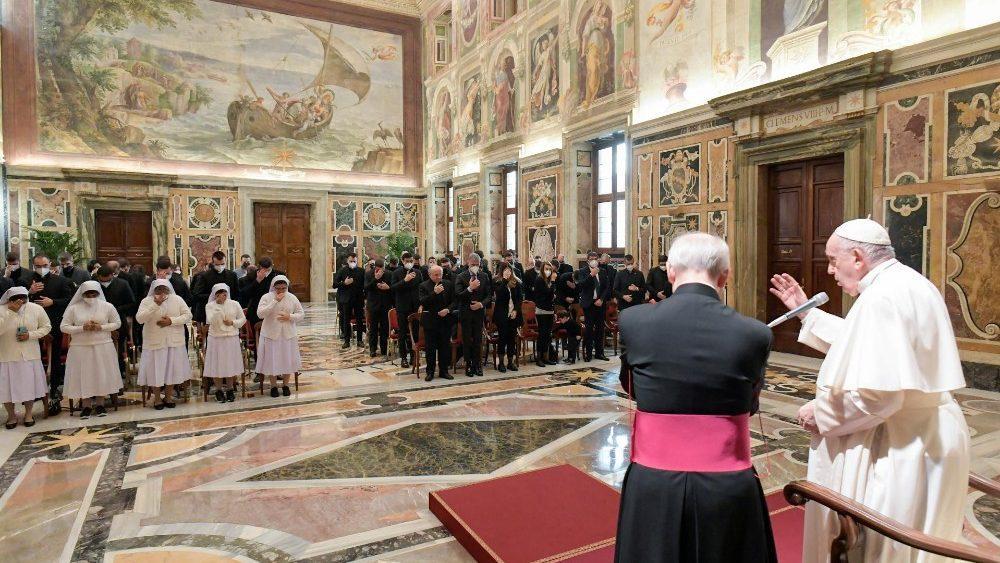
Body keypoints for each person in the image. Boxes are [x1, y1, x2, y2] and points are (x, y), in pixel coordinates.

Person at [769, 218, 970, 563]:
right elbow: (867, 343)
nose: (830, 270)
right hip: (929, 436)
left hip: (902, 447)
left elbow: (879, 396)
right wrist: (808, 314)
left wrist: (823, 413)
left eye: (834, 260)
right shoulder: (906, 283)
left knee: (888, 548)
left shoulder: (882, 297)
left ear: (858, 257)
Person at [615, 232, 776, 562]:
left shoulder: (633, 321)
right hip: (727, 486)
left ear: (671, 272)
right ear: (725, 276)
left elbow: (629, 386)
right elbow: (749, 403)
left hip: (654, 483)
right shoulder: (756, 334)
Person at [61, 281, 121, 419]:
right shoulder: (74, 308)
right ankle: (86, 405)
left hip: (103, 346)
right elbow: (63, 327)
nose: (91, 296)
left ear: (99, 293)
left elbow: (117, 323)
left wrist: (101, 327)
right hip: (80, 347)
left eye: (94, 294)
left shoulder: (107, 306)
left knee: (101, 374)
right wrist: (82, 328)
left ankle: (100, 404)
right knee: (84, 375)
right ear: (82, 295)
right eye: (88, 294)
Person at [28, 253, 75, 413]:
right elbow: (16, 301)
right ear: (33, 266)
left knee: (55, 357)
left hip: (54, 323)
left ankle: (54, 387)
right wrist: (30, 291)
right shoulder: (26, 280)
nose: (42, 269)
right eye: (38, 266)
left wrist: (53, 302)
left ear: (50, 265)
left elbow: (69, 300)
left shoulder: (61, 281)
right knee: (33, 359)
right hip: (31, 326)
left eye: (44, 265)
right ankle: (34, 389)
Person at [136, 279, 192, 410]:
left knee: (171, 370)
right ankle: (157, 399)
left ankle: (168, 397)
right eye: (158, 289)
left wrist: (171, 321)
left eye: (164, 289)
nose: (161, 292)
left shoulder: (177, 299)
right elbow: (139, 319)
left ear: (169, 289)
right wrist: (155, 305)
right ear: (154, 290)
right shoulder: (147, 301)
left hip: (174, 341)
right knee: (156, 370)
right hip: (155, 342)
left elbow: (188, 315)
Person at [0, 287, 50, 429]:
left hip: (30, 354)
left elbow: (46, 327)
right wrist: (11, 312)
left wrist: (30, 335)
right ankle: (11, 416)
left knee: (29, 386)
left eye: (23, 299)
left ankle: (28, 414)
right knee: (7, 389)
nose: (20, 302)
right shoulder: (2, 310)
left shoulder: (36, 309)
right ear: (9, 300)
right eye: (16, 299)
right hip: (7, 355)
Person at [256, 275, 303, 397]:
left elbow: (301, 314)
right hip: (271, 334)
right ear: (273, 287)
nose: (281, 291)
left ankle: (286, 385)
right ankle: (273, 386)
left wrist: (290, 317)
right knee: (272, 360)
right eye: (278, 288)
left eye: (284, 288)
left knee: (287, 359)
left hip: (288, 334)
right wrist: (274, 301)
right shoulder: (266, 297)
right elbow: (260, 314)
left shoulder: (292, 297)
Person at [203, 284, 245, 403]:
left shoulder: (235, 304)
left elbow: (242, 320)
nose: (223, 295)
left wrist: (232, 322)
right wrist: (218, 308)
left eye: (225, 292)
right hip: (216, 339)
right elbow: (210, 320)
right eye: (220, 293)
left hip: (231, 338)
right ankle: (219, 390)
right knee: (217, 365)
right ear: (215, 295)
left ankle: (230, 389)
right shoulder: (210, 306)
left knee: (229, 364)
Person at [455, 253, 492, 377]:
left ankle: (477, 364)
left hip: (479, 313)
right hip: (465, 312)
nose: (475, 267)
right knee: (467, 340)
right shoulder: (461, 276)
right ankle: (469, 364)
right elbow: (458, 295)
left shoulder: (484, 276)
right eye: (473, 265)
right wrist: (470, 288)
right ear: (468, 263)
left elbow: (489, 295)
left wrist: (481, 304)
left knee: (477, 339)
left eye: (477, 265)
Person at [95, 266, 135, 377]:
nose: (104, 282)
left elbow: (131, 303)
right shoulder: (94, 285)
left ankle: (119, 370)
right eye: (101, 280)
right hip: (99, 321)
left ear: (112, 275)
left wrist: (114, 309)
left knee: (119, 347)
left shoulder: (122, 284)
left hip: (118, 320)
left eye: (107, 279)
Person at [418, 265, 455, 382]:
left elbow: (455, 301)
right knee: (430, 348)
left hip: (445, 321)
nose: (439, 277)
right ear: (430, 275)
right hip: (431, 321)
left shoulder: (448, 284)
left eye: (440, 274)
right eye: (436, 275)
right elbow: (423, 301)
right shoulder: (423, 286)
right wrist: (434, 293)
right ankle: (430, 372)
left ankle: (444, 371)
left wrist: (448, 310)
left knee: (445, 347)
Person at [575, 251, 612, 362]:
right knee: (589, 329)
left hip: (600, 304)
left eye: (596, 258)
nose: (594, 260)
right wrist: (591, 275)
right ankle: (588, 354)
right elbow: (580, 286)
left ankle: (599, 353)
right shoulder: (582, 271)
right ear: (588, 260)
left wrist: (601, 299)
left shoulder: (603, 271)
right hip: (588, 304)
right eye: (591, 258)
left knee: (600, 329)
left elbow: (606, 287)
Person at [391, 252, 422, 369]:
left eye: (411, 261)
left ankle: (414, 357)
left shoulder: (418, 272)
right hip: (402, 307)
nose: (409, 263)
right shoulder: (396, 273)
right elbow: (393, 288)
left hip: (414, 307)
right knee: (402, 333)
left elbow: (421, 288)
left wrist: (421, 305)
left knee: (415, 333)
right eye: (407, 261)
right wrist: (405, 280)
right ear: (402, 261)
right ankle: (403, 358)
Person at [191, 251, 240, 325]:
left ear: (225, 262)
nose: (220, 266)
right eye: (217, 264)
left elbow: (237, 293)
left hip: (228, 312)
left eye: (222, 264)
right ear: (213, 263)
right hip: (210, 313)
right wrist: (215, 297)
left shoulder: (232, 275)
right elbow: (197, 294)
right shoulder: (205, 276)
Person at [492, 262, 522, 373]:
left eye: (509, 270)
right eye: (505, 270)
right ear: (501, 271)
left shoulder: (516, 282)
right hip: (501, 315)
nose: (508, 272)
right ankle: (501, 363)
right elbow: (499, 295)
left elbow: (519, 299)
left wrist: (516, 310)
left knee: (511, 339)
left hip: (513, 315)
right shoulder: (497, 281)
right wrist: (504, 280)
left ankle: (510, 362)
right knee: (502, 338)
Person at [333, 252, 366, 349]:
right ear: (347, 261)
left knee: (359, 320)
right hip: (346, 300)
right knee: (346, 320)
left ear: (357, 261)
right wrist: (344, 283)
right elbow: (334, 284)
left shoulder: (361, 271)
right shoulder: (342, 271)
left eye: (354, 261)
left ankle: (359, 340)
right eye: (351, 261)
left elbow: (365, 285)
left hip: (358, 299)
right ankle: (346, 341)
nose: (352, 262)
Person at [364, 259, 393, 358]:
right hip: (373, 305)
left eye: (382, 269)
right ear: (375, 267)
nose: (381, 271)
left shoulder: (389, 274)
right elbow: (366, 288)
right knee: (373, 329)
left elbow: (394, 288)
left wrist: (387, 287)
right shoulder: (369, 274)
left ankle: (384, 349)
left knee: (385, 329)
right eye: (378, 269)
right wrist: (376, 279)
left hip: (386, 305)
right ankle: (373, 349)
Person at [245, 257, 284, 327]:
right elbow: (246, 293)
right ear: (259, 266)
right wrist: (258, 280)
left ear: (272, 266)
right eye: (263, 269)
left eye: (268, 270)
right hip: (256, 310)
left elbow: (286, 290)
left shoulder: (279, 275)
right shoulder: (252, 275)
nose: (266, 272)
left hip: (275, 309)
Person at [533, 261, 558, 367]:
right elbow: (548, 294)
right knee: (542, 335)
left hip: (550, 310)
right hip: (542, 310)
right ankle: (539, 359)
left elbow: (552, 295)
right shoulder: (539, 280)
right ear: (542, 269)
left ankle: (546, 357)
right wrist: (552, 282)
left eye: (550, 269)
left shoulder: (549, 281)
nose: (548, 271)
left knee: (548, 335)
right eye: (546, 269)